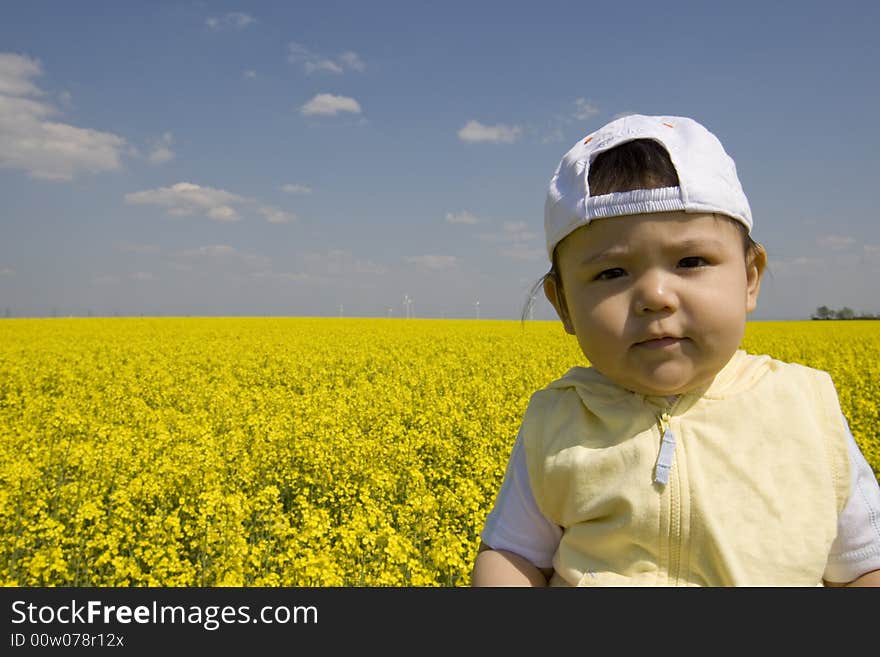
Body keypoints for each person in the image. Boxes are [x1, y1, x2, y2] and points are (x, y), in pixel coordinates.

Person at [471, 114, 880, 586]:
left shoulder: (807, 409)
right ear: (562, 304)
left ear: (749, 278)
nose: (655, 296)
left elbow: (863, 565)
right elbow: (513, 556)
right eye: (611, 274)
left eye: (690, 262)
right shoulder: (558, 422)